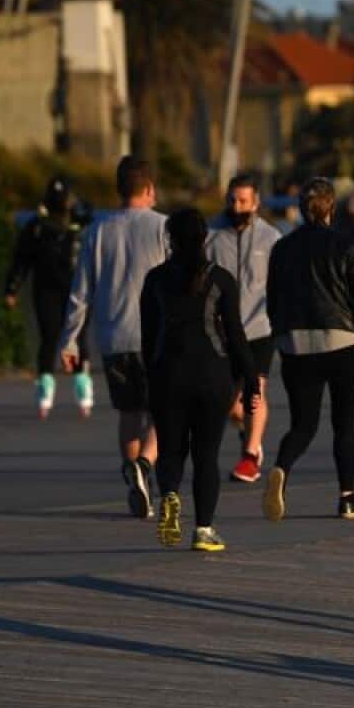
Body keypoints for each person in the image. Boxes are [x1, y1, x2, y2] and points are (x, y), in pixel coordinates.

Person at [264, 177, 354, 523]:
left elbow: (272, 301)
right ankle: (347, 498)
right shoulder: (345, 246)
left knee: (303, 425)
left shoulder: (282, 249)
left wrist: (280, 339)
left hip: (296, 346)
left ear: (301, 210)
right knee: (343, 423)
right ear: (331, 208)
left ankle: (281, 468)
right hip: (341, 344)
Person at [142, 209, 259, 552]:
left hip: (168, 374)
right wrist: (251, 380)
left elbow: (149, 338)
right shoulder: (220, 279)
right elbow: (236, 337)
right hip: (213, 376)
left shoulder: (155, 280)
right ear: (205, 238)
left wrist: (150, 382)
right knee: (206, 455)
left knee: (171, 449)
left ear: (170, 239)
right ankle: (204, 530)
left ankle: (170, 496)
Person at [59, 156, 168, 519]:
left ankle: (135, 478)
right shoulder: (163, 228)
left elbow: (81, 292)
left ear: (119, 190)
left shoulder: (98, 231)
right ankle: (146, 467)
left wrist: (70, 341)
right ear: (149, 189)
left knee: (129, 412)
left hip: (114, 338)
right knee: (164, 414)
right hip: (156, 336)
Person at [205, 174, 283, 483]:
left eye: (243, 201)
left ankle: (250, 456)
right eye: (232, 200)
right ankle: (248, 434)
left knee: (254, 393)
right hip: (221, 333)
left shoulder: (271, 239)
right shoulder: (210, 235)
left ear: (256, 203)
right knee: (231, 407)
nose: (236, 207)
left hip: (260, 330)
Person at [4, 175, 95, 420]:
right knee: (50, 337)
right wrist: (12, 288)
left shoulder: (81, 222)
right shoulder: (36, 227)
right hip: (46, 290)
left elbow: (93, 225)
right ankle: (45, 392)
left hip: (77, 289)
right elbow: (21, 260)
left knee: (78, 337)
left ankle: (83, 389)